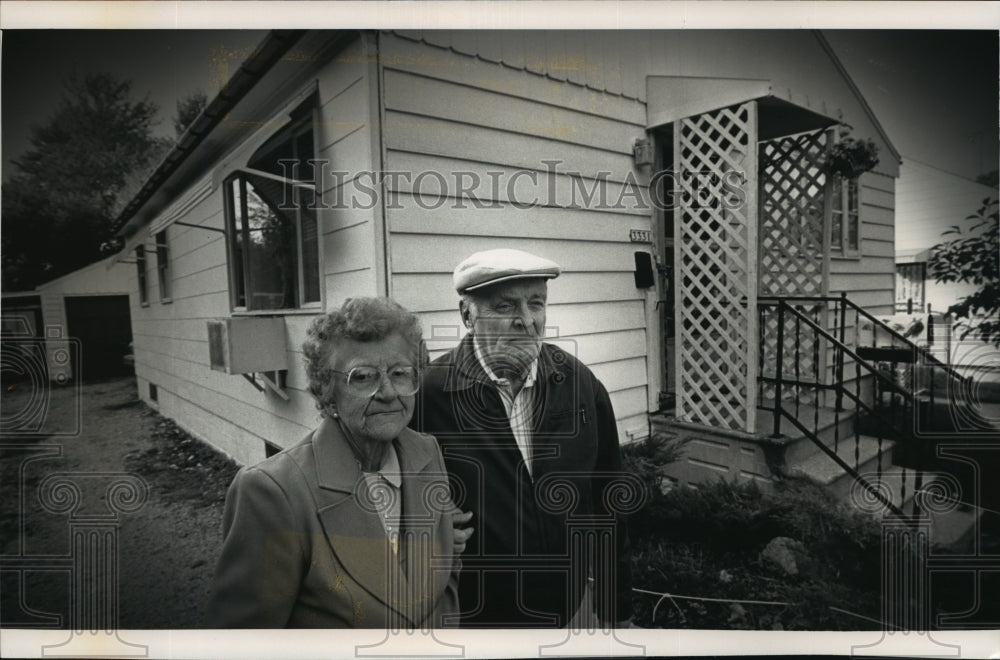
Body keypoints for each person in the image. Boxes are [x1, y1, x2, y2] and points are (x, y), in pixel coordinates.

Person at [412, 248, 634, 628]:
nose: (527, 321)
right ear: (467, 314)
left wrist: (617, 604)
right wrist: (428, 523)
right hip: (478, 620)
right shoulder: (429, 394)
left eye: (537, 303)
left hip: (572, 607)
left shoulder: (578, 381)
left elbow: (608, 499)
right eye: (505, 307)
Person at [205, 297, 460, 628]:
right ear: (327, 389)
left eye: (400, 373)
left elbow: (445, 579)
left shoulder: (426, 454)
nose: (387, 392)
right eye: (363, 377)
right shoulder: (272, 492)